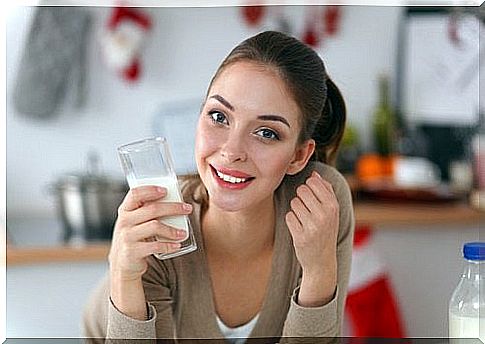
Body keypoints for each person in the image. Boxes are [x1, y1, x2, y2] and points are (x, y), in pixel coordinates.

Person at [82, 30, 354, 342]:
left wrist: (319, 271)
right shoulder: (160, 223)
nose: (231, 150)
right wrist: (123, 274)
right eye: (218, 116)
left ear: (298, 155)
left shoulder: (319, 202)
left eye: (266, 132)